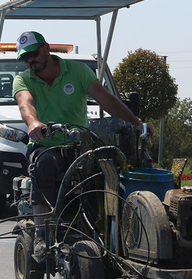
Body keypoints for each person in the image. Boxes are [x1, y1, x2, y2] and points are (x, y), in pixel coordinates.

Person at [12, 31, 154, 261]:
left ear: (46, 48)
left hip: (80, 144)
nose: (30, 60)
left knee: (109, 168)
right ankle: (41, 234)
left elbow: (106, 99)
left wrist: (137, 124)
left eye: (34, 54)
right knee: (43, 164)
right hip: (47, 145)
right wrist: (34, 122)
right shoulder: (24, 79)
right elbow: (25, 102)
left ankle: (111, 230)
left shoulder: (77, 71)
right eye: (24, 58)